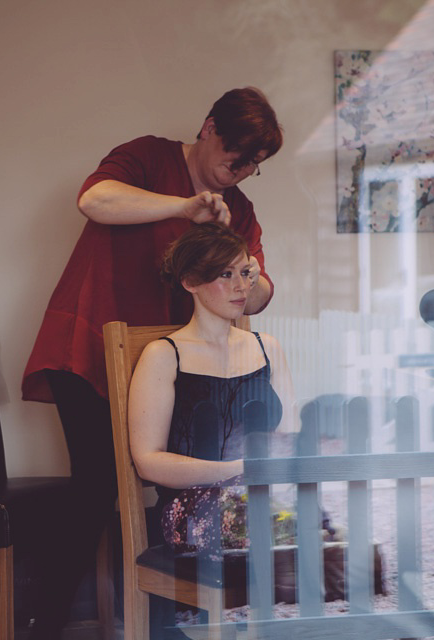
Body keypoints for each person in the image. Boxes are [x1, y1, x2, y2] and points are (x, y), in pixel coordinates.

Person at [21, 87, 282, 638]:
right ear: (209, 127)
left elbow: (255, 291)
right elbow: (95, 200)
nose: (239, 173)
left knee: (174, 485)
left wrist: (250, 275)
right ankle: (45, 621)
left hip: (166, 367)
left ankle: (155, 616)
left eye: (252, 167)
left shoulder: (240, 207)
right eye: (236, 159)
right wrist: (183, 207)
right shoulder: (147, 156)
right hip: (90, 343)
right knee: (97, 484)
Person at [128, 222, 295, 554]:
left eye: (245, 273)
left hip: (263, 497)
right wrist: (237, 471)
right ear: (190, 282)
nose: (241, 287)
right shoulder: (163, 355)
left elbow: (288, 440)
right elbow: (148, 460)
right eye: (225, 275)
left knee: (325, 525)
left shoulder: (268, 347)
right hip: (193, 507)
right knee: (270, 531)